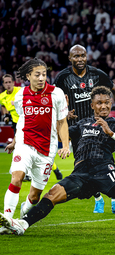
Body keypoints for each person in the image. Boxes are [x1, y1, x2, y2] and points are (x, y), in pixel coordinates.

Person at [0, 86, 115, 235]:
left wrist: (110, 133)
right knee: (51, 195)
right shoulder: (82, 123)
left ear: (111, 103)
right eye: (99, 103)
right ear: (92, 106)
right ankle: (23, 224)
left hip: (104, 170)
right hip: (80, 173)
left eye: (107, 102)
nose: (104, 106)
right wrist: (61, 116)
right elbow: (56, 134)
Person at [54, 44, 115, 214]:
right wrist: (64, 115)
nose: (80, 59)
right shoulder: (62, 77)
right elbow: (55, 99)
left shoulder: (96, 73)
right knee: (84, 165)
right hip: (77, 129)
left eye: (83, 55)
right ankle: (98, 199)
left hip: (99, 125)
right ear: (70, 58)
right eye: (76, 56)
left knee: (106, 161)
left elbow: (114, 89)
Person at [0, 58, 70, 235]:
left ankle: (23, 215)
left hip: (47, 150)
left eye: (44, 74)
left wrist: (66, 145)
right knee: (16, 178)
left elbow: (62, 122)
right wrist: (16, 141)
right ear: (28, 76)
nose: (41, 78)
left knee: (34, 196)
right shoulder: (20, 95)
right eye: (37, 74)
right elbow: (21, 120)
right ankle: (6, 220)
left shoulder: (56, 94)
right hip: (25, 144)